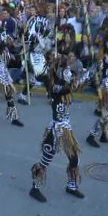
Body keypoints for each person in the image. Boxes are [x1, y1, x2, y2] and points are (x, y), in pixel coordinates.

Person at [29, 56, 85, 202]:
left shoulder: (66, 84)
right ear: (58, 71)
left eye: (69, 70)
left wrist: (90, 72)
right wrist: (74, 82)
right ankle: (34, 188)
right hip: (55, 130)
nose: (68, 72)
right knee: (45, 161)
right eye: (65, 69)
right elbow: (66, 89)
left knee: (74, 159)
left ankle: (71, 186)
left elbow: (76, 84)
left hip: (66, 129)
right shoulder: (55, 87)